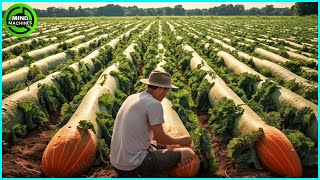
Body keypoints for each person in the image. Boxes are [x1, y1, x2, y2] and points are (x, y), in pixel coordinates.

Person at [110, 70, 196, 177]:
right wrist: (181, 140)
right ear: (160, 89)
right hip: (134, 166)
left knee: (162, 145)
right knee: (189, 153)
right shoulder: (154, 104)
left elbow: (154, 138)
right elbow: (160, 138)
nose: (166, 94)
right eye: (167, 91)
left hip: (116, 163)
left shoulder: (132, 97)